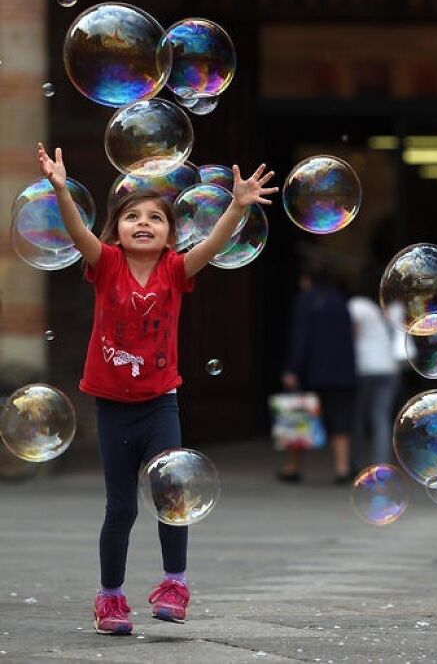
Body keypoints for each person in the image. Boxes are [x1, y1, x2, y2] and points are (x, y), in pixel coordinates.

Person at [37, 143, 277, 635]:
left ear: (171, 233)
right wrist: (61, 190)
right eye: (131, 217)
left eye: (155, 218)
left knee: (172, 492)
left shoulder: (175, 269)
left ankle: (174, 584)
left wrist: (237, 204)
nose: (143, 223)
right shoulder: (104, 263)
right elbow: (78, 231)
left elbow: (211, 245)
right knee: (120, 506)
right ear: (117, 230)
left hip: (159, 403)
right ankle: (110, 597)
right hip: (112, 407)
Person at [280, 266, 356, 484]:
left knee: (298, 417)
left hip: (311, 371)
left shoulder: (306, 300)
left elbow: (300, 337)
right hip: (341, 372)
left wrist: (292, 369)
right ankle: (342, 469)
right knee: (339, 419)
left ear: (307, 279)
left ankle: (292, 467)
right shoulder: (340, 301)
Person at [348, 289, 399, 468]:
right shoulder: (385, 310)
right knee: (381, 418)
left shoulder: (356, 305)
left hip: (364, 367)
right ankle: (381, 463)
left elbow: (352, 333)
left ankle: (356, 463)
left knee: (357, 417)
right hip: (388, 367)